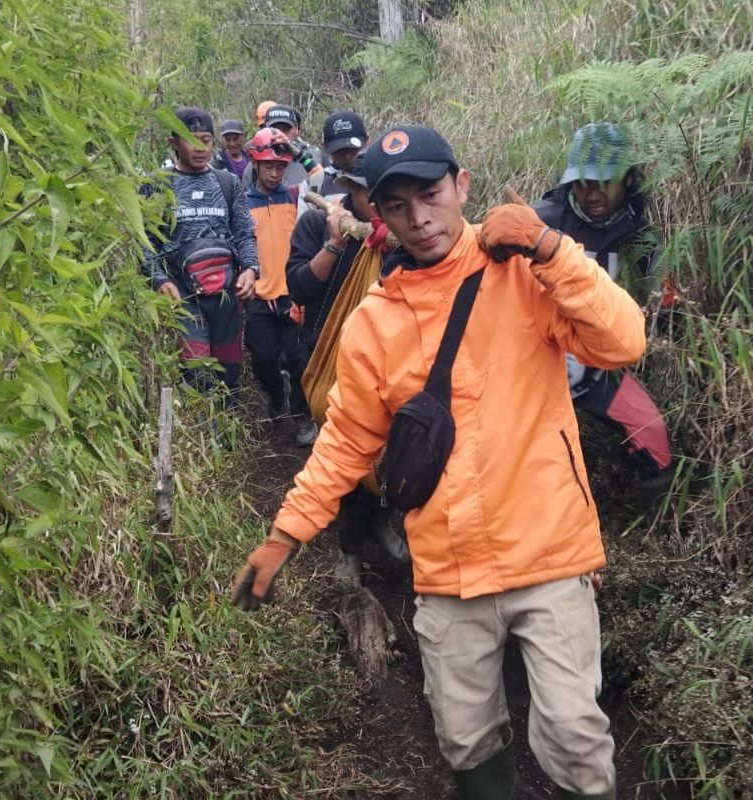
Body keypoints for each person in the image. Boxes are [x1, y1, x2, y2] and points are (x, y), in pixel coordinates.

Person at [233, 124, 645, 800]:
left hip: (549, 550)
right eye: (397, 206)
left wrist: (551, 247)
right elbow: (344, 445)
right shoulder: (375, 321)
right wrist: (285, 537)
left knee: (573, 736)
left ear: (462, 187)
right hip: (448, 563)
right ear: (376, 214)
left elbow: (624, 342)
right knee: (464, 737)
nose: (419, 220)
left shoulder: (521, 270)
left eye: (430, 195)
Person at [533, 122, 676, 504]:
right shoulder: (541, 221)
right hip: (535, 367)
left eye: (604, 182)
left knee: (653, 436)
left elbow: (662, 300)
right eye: (583, 184)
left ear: (628, 179)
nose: (592, 193)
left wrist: (666, 307)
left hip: (596, 368)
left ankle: (646, 531)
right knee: (537, 460)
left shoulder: (638, 233)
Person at [287, 154, 406, 577]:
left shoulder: (403, 236)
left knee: (385, 455)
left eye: (379, 194)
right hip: (329, 355)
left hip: (389, 362)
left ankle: (381, 523)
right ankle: (350, 550)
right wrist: (334, 243)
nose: (371, 202)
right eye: (361, 192)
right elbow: (297, 287)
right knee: (347, 456)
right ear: (349, 191)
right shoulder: (319, 225)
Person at [140, 107, 259, 402]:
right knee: (195, 372)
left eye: (206, 140)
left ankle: (227, 437)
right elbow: (143, 240)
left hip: (226, 293)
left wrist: (251, 269)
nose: (200, 148)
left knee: (228, 373)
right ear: (173, 143)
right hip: (182, 293)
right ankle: (201, 433)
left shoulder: (227, 183)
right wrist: (158, 279)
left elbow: (243, 233)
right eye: (191, 140)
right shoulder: (157, 186)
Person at [243, 127, 316, 444]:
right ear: (255, 164)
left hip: (293, 297)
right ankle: (276, 397)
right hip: (260, 299)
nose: (275, 173)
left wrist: (297, 150)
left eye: (280, 166)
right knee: (262, 359)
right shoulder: (242, 203)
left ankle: (303, 418)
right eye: (268, 165)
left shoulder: (296, 197)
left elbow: (320, 177)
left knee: (300, 361)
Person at [298, 109, 368, 208]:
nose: (347, 156)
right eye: (340, 150)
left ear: (366, 141)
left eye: (353, 149)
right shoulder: (315, 184)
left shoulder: (380, 177)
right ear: (325, 147)